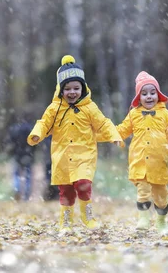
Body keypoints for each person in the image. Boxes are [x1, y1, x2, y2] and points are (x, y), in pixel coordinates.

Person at [28, 55, 123, 231]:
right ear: (60, 90)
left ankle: (87, 218)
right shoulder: (54, 109)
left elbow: (103, 122)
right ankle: (66, 221)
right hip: (62, 155)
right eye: (68, 89)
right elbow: (44, 123)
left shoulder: (89, 107)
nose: (72, 92)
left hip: (84, 154)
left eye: (76, 88)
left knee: (83, 184)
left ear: (83, 88)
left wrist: (114, 135)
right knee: (66, 191)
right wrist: (37, 134)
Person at [116, 71, 168, 234]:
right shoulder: (133, 114)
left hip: (160, 162)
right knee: (143, 191)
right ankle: (143, 218)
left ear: (158, 95)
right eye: (144, 93)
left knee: (161, 196)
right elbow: (123, 129)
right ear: (138, 97)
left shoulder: (165, 114)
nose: (149, 97)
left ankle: (161, 221)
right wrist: (112, 135)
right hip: (140, 161)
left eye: (152, 93)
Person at [7, 118, 35, 201]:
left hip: (17, 155)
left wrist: (13, 152)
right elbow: (35, 142)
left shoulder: (14, 128)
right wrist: (32, 152)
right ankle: (26, 194)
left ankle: (17, 189)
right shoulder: (31, 129)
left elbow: (10, 142)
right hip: (28, 154)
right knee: (28, 176)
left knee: (16, 174)